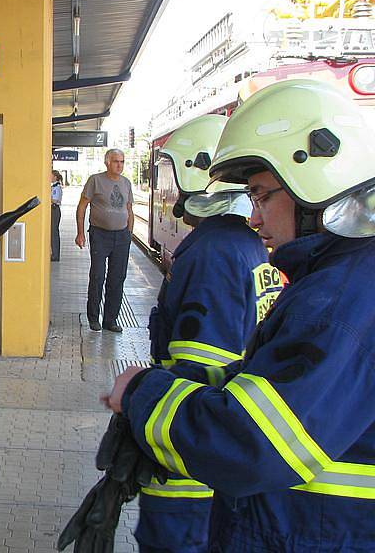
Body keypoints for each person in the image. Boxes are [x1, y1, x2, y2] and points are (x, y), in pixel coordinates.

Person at [108, 78, 375, 552]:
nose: (254, 218)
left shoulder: (337, 304)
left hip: (308, 533)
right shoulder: (344, 282)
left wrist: (142, 393)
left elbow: (252, 440)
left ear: (310, 179)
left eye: (261, 195)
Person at [137, 114, 282, 553]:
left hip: (188, 480)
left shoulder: (211, 255)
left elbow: (200, 373)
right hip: (211, 470)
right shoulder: (244, 245)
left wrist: (139, 408)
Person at [75, 148, 134, 332]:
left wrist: (129, 233)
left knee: (117, 278)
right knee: (98, 275)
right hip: (100, 235)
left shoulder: (126, 183)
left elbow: (129, 209)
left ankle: (111, 320)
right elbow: (82, 207)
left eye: (122, 162)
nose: (120, 165)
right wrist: (80, 233)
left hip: (122, 236)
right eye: (116, 161)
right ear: (107, 162)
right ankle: (93, 318)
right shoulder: (95, 180)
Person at [51, 170, 63, 262]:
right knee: (52, 232)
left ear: (55, 177)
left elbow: (55, 200)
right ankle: (54, 253)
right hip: (52, 209)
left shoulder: (56, 187)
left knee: (54, 232)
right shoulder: (53, 187)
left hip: (54, 209)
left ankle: (55, 255)